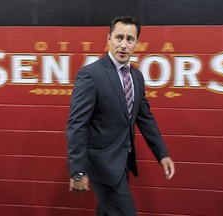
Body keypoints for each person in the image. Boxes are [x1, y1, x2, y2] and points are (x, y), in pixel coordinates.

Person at [66, 15, 175, 216]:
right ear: (108, 39)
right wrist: (77, 170)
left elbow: (145, 118)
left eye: (129, 39)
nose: (123, 45)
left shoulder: (137, 77)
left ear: (136, 43)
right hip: (102, 166)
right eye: (119, 38)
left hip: (122, 164)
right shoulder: (91, 74)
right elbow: (76, 125)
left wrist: (162, 154)